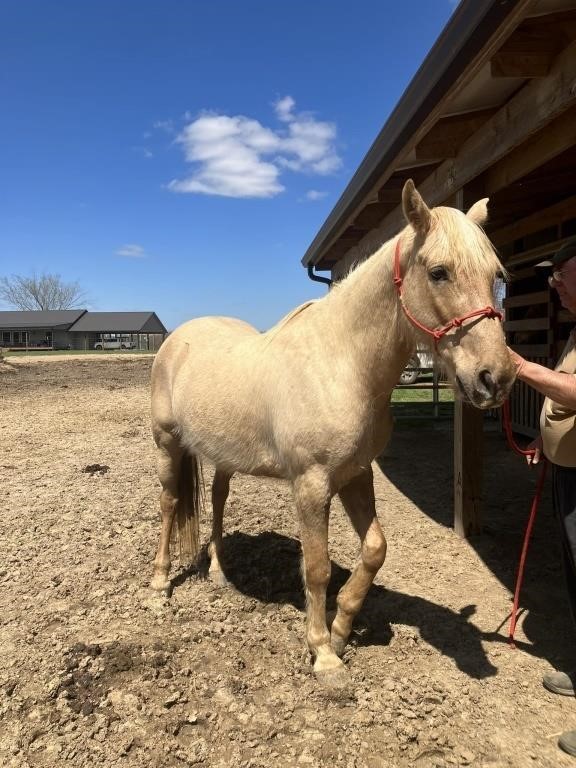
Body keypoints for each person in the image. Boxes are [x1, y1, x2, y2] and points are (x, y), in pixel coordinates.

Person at [509, 238, 576, 758]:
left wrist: (519, 366)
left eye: (561, 274)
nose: (552, 285)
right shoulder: (575, 330)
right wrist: (544, 438)